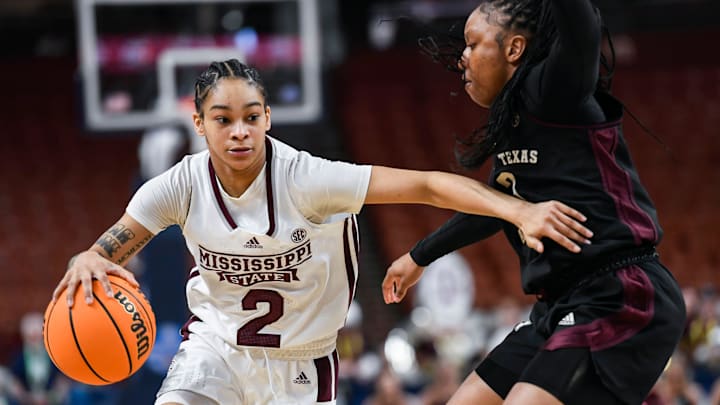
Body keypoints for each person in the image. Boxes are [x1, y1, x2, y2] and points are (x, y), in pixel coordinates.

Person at [51, 58, 592, 405]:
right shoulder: (175, 186)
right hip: (215, 350)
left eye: (251, 116)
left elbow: (427, 185)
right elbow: (112, 245)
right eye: (222, 118)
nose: (239, 130)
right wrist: (88, 257)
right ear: (199, 123)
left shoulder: (308, 179)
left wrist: (518, 211)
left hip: (301, 364)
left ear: (268, 118)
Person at [381, 1, 686, 405]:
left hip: (620, 293)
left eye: (473, 44)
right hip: (557, 308)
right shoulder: (515, 122)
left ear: (514, 50)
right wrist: (419, 256)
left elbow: (581, 30)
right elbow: (495, 207)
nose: (463, 60)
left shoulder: (552, 92)